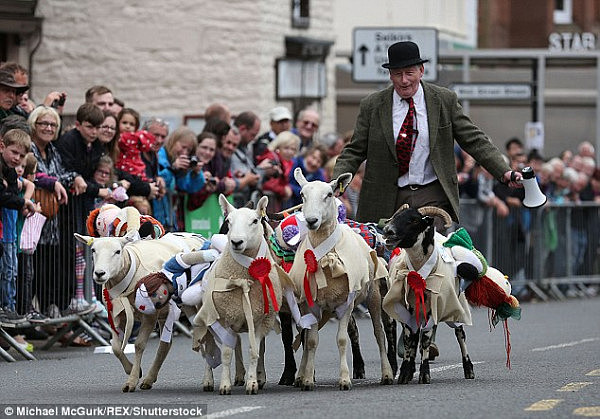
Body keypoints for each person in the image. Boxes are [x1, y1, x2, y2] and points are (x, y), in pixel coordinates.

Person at [333, 41, 522, 229]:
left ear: (421, 70)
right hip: (386, 196)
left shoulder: (443, 100)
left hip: (432, 194)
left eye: (409, 73)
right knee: (388, 255)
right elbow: (354, 150)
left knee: (426, 250)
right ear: (390, 75)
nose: (404, 80)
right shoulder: (373, 105)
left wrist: (503, 171)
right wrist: (335, 183)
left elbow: (474, 139)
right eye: (398, 74)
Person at [0, 129, 38, 322]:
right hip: (3, 232)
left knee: (12, 271)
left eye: (21, 156)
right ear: (2, 146)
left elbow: (12, 195)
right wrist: (22, 202)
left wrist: (21, 201)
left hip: (10, 232)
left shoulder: (11, 172)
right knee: (6, 271)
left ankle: (9, 306)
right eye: (14, 153)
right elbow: (5, 196)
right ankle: (5, 307)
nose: (17, 158)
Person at [115, 108, 156, 182]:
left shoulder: (137, 138)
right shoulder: (116, 138)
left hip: (135, 167)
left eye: (132, 124)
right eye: (124, 123)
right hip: (120, 167)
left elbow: (146, 144)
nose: (128, 126)